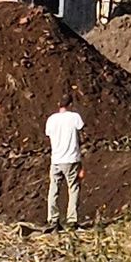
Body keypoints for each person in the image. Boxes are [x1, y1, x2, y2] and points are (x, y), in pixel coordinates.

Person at [45, 93, 84, 229]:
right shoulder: (75, 118)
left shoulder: (51, 120)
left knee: (54, 188)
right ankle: (72, 220)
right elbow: (81, 135)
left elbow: (49, 135)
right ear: (71, 105)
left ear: (58, 104)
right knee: (73, 188)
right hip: (71, 159)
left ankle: (53, 220)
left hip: (56, 159)